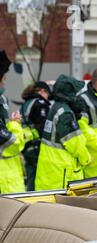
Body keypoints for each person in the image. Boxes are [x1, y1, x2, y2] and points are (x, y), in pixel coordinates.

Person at [34, 74, 92, 191]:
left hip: (50, 171)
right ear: (69, 94)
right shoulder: (65, 114)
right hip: (61, 173)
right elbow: (75, 144)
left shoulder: (56, 107)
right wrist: (86, 159)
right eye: (76, 93)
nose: (78, 96)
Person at [0, 50, 25, 193]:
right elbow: (13, 144)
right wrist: (15, 125)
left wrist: (9, 124)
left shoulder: (2, 99)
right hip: (5, 182)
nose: (5, 81)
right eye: (4, 77)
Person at [20, 81, 52, 191]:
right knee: (38, 179)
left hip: (26, 146)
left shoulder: (25, 104)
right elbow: (43, 127)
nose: (48, 98)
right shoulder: (40, 103)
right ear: (43, 91)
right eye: (48, 94)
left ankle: (29, 203)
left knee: (31, 176)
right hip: (36, 146)